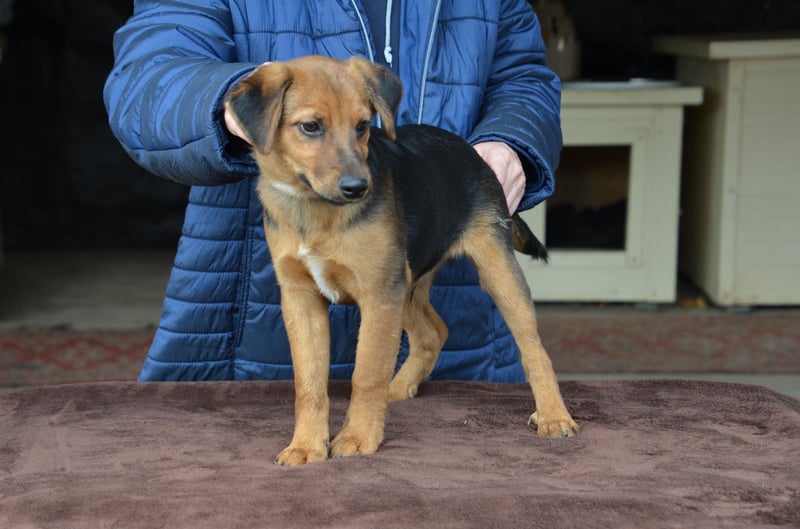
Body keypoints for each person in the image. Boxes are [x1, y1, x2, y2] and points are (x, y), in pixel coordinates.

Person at [103, 1, 562, 383]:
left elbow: (523, 74)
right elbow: (147, 75)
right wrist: (244, 99)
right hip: (252, 339)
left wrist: (511, 140)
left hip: (461, 327)